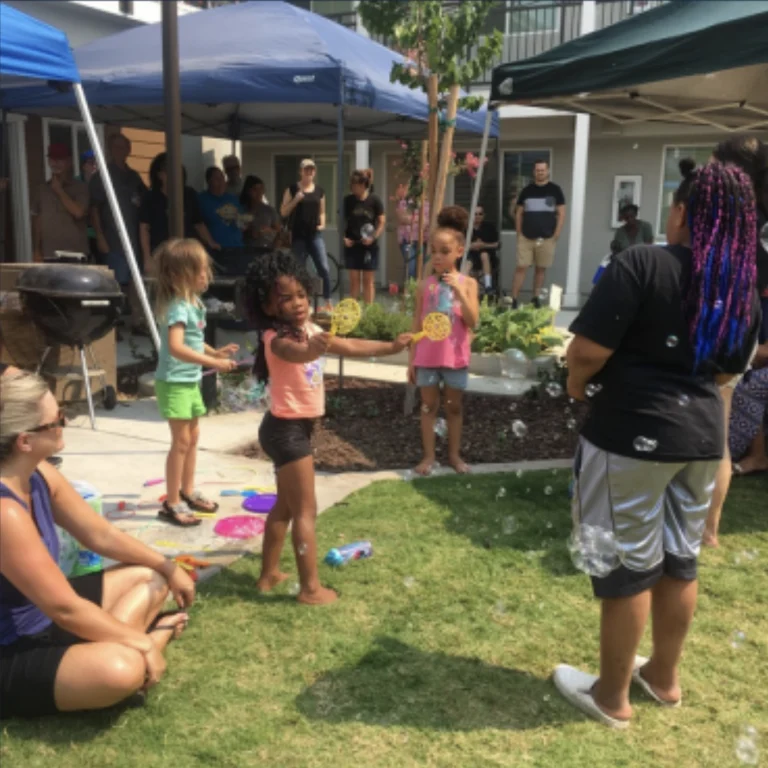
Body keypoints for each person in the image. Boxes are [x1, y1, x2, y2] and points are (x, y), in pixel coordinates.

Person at [555, 160, 761, 729]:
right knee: (679, 561)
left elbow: (587, 353)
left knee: (628, 568)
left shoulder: (641, 262)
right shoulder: (740, 287)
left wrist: (576, 387)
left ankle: (611, 696)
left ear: (680, 211)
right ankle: (664, 678)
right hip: (701, 440)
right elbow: (727, 371)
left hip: (632, 437)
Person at [0, 371, 196, 719]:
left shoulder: (39, 473)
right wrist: (141, 643)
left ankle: (117, 647)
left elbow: (99, 535)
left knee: (150, 577)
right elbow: (65, 609)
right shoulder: (5, 512)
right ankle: (149, 643)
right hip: (10, 647)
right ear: (25, 441)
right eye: (57, 420)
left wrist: (167, 565)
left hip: (45, 616)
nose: (65, 423)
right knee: (121, 668)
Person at [244, 250, 411, 605]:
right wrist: (313, 348)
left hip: (291, 429)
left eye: (301, 295)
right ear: (269, 306)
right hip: (285, 432)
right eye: (285, 298)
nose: (297, 303)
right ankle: (310, 590)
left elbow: (350, 345)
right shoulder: (275, 338)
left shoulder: (310, 329)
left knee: (285, 508)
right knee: (306, 511)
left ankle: (269, 574)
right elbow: (296, 354)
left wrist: (391, 347)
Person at [704, 134, 768, 546]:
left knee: (714, 426)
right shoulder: (753, 219)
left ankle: (706, 528)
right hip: (742, 329)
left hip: (729, 329)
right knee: (718, 426)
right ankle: (708, 530)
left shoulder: (739, 221)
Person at [153, 239, 238, 527]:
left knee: (193, 437)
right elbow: (177, 347)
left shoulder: (194, 304)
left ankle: (187, 491)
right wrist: (214, 364)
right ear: (179, 276)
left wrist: (216, 352)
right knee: (181, 442)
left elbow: (195, 342)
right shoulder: (177, 307)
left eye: (205, 269)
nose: (206, 275)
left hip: (188, 381)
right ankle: (172, 501)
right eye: (199, 270)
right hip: (174, 381)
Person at [409, 206, 480, 477]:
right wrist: (411, 360)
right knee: (428, 407)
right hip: (427, 357)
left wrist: (460, 291)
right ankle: (428, 457)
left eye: (444, 251)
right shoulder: (424, 285)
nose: (437, 257)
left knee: (454, 407)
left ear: (459, 252)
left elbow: (472, 321)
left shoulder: (469, 284)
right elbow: (417, 324)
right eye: (434, 251)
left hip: (455, 357)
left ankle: (453, 455)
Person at [90, 133, 148, 333]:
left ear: (129, 150)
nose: (119, 151)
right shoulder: (102, 176)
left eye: (123, 147)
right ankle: (111, 326)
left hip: (134, 239)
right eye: (115, 147)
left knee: (135, 281)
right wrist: (100, 236)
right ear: (109, 149)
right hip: (113, 239)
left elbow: (145, 201)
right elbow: (94, 209)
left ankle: (137, 321)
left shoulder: (134, 176)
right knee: (115, 283)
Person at [139, 152, 220, 272]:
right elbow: (144, 228)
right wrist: (147, 258)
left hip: (187, 252)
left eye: (177, 170)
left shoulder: (189, 194)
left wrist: (211, 242)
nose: (174, 174)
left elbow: (198, 223)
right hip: (161, 253)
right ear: (160, 175)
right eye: (168, 170)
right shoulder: (150, 197)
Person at [510, 159, 566, 308]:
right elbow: (519, 213)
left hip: (547, 237)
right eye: (537, 170)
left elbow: (561, 213)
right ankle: (514, 300)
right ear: (534, 172)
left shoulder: (555, 190)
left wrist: (556, 234)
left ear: (547, 171)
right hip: (526, 237)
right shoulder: (527, 191)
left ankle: (535, 298)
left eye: (543, 170)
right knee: (521, 267)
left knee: (540, 268)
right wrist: (519, 233)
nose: (540, 172)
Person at [280, 159, 332, 310]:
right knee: (298, 270)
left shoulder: (319, 191)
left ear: (314, 172)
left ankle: (327, 301)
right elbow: (283, 211)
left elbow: (322, 212)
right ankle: (301, 301)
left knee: (323, 267)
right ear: (300, 171)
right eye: (306, 169)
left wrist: (322, 224)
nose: (309, 172)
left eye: (312, 170)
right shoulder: (292, 189)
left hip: (315, 235)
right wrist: (295, 200)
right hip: (298, 236)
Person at [32, 143, 89, 263]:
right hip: (49, 254)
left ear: (69, 161)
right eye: (52, 159)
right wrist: (37, 250)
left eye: (60, 159)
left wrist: (59, 191)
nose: (55, 163)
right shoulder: (41, 189)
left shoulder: (80, 188)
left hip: (75, 253)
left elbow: (78, 212)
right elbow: (38, 220)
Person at [343, 169, 385, 304]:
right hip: (352, 244)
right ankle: (353, 311)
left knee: (368, 281)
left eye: (357, 185)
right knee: (354, 281)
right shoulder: (348, 200)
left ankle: (369, 312)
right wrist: (344, 238)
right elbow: (341, 222)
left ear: (364, 185)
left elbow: (381, 221)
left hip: (369, 246)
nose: (354, 188)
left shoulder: (375, 200)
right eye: (352, 185)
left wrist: (373, 237)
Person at [198, 166, 243, 250]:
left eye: (222, 178)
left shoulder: (232, 199)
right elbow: (197, 224)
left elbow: (242, 221)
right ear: (208, 181)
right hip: (214, 249)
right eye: (217, 179)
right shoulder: (201, 200)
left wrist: (243, 222)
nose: (221, 182)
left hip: (236, 247)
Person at [463, 204, 500, 294]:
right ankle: (462, 287)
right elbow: (459, 245)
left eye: (480, 214)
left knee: (484, 255)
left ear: (484, 215)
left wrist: (483, 245)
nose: (478, 216)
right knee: (467, 263)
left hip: (488, 256)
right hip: (471, 255)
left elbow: (497, 244)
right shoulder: (465, 228)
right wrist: (471, 246)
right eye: (475, 214)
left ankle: (488, 286)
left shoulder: (489, 227)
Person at [240, 175, 280, 251]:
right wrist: (249, 232)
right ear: (248, 191)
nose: (259, 193)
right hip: (246, 250)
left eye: (261, 189)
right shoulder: (242, 210)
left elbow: (279, 233)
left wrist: (269, 231)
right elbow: (236, 232)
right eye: (255, 190)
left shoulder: (269, 210)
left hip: (266, 249)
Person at [397, 196, 430, 281]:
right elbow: (402, 219)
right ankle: (410, 292)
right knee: (410, 268)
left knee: (422, 269)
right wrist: (419, 219)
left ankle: (420, 291)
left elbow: (426, 223)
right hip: (407, 240)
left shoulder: (427, 204)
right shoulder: (405, 203)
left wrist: (412, 219)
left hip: (423, 241)